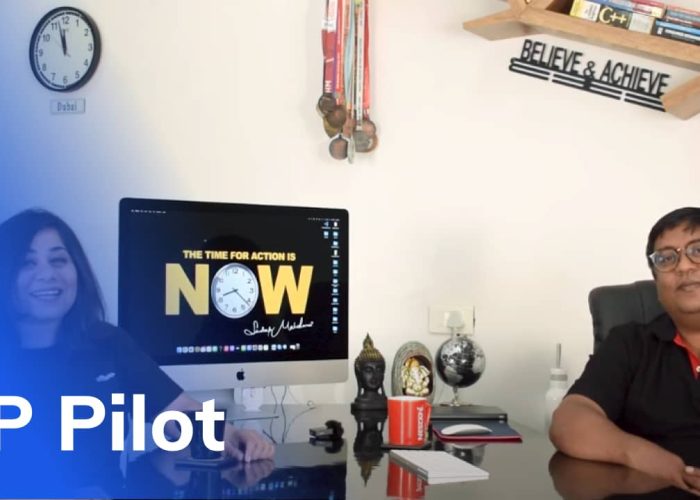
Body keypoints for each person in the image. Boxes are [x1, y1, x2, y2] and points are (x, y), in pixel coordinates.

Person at [0, 209, 274, 497]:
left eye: (58, 260)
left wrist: (234, 436)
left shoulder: (107, 343)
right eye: (27, 263)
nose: (47, 275)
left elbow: (179, 413)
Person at [549, 207, 700, 496]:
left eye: (698, 251)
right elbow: (569, 421)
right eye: (666, 258)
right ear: (657, 283)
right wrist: (646, 457)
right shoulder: (631, 344)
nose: (683, 267)